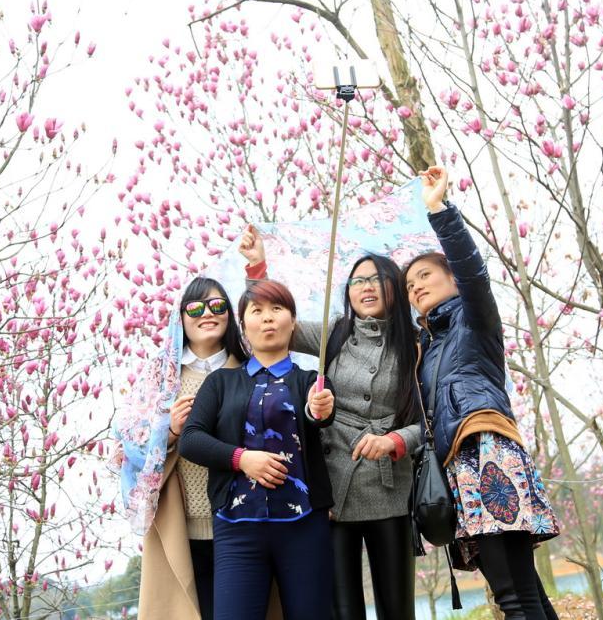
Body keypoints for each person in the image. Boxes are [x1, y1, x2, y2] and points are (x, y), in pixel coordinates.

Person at [405, 166, 561, 620]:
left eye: (425, 275)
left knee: (513, 596)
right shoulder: (424, 347)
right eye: (410, 284)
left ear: (452, 278)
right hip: (458, 467)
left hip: (486, 451)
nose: (416, 286)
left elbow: (475, 274)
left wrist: (440, 211)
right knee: (526, 590)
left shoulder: (474, 320)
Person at [239, 234, 420, 620]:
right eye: (358, 281)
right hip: (335, 486)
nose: (366, 287)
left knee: (397, 607)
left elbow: (430, 421)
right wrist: (257, 271)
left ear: (394, 287)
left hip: (390, 485)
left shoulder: (415, 344)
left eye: (376, 279)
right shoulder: (335, 333)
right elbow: (273, 325)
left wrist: (395, 440)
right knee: (342, 610)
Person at [180, 279, 336, 620]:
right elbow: (190, 439)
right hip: (237, 529)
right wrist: (241, 459)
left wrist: (319, 409)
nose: (267, 318)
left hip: (305, 526)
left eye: (277, 309)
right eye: (257, 311)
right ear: (243, 325)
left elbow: (319, 414)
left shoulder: (311, 382)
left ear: (292, 322)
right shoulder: (220, 382)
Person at [138, 277, 255, 620]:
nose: (207, 313)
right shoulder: (163, 375)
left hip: (242, 520)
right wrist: (170, 432)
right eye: (196, 307)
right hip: (179, 523)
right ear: (181, 317)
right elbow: (129, 445)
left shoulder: (249, 370)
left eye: (218, 305)